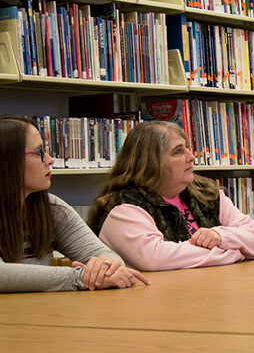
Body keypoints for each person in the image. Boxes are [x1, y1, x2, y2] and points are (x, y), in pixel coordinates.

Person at [86, 121, 254, 271]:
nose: (191, 156)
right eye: (178, 151)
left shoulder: (206, 193)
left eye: (187, 148)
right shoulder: (123, 205)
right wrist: (233, 253)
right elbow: (154, 258)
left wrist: (220, 236)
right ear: (151, 163)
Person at [0, 115, 148, 292]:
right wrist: (80, 277)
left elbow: (108, 257)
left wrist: (104, 267)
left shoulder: (51, 208)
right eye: (39, 153)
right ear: (7, 161)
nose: (49, 159)